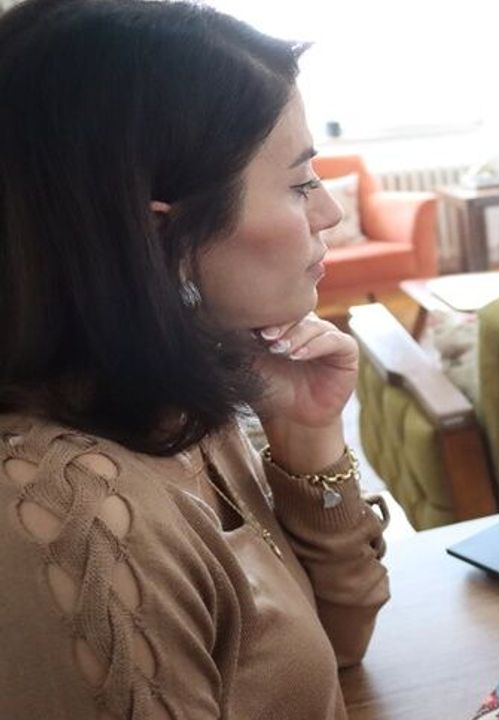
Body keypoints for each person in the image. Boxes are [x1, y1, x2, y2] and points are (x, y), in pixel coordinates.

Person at [0, 1, 389, 718]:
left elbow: (338, 646)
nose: (329, 213)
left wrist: (308, 443)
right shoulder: (74, 510)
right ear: (162, 235)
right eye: (300, 183)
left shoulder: (179, 403)